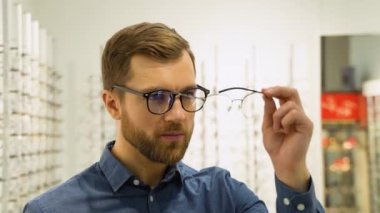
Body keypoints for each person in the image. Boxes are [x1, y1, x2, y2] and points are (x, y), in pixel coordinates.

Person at [24, 22, 324, 213]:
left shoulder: (223, 197)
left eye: (188, 95)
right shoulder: (53, 209)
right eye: (157, 97)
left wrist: (291, 171)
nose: (178, 114)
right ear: (113, 104)